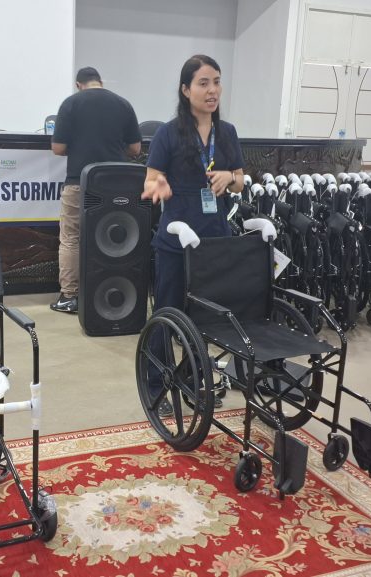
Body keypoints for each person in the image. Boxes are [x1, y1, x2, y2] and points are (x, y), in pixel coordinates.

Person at [141, 54, 245, 417]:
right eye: (203, 83)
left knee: (207, 319)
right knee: (168, 317)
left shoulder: (227, 132)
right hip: (176, 239)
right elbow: (150, 181)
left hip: (214, 240)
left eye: (216, 81)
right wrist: (161, 186)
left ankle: (197, 380)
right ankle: (157, 384)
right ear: (186, 90)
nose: (212, 90)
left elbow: (242, 180)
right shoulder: (169, 133)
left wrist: (228, 178)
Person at [50, 67, 142, 313]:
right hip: (116, 185)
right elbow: (135, 149)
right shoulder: (123, 104)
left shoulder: (70, 104)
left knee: (71, 238)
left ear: (79, 84)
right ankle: (107, 291)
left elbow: (58, 148)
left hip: (79, 182)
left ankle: (70, 297)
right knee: (112, 238)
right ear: (100, 82)